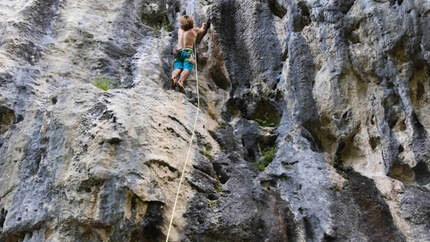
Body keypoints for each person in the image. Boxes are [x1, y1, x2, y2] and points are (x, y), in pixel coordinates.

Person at [171, 15, 209, 90]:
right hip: (187, 52)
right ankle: (181, 81)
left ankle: (173, 78)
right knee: (187, 68)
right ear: (192, 23)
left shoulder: (180, 30)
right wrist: (203, 25)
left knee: (178, 67)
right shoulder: (194, 30)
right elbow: (202, 30)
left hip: (178, 52)